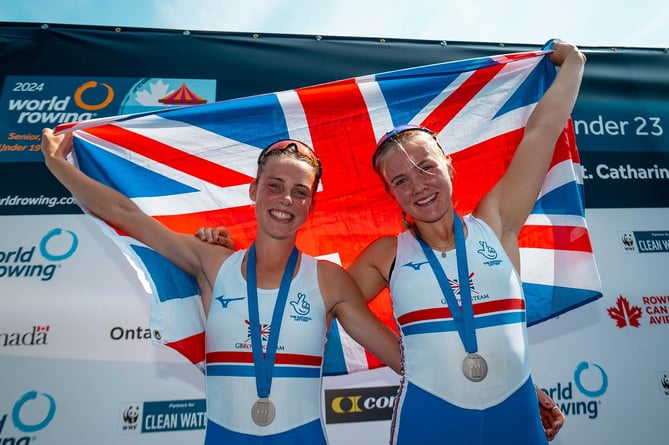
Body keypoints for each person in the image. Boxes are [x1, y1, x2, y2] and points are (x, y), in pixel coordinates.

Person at [199, 39, 582, 444]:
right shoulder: (385, 255)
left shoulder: (498, 221)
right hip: (427, 420)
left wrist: (573, 62)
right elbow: (297, 308)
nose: (418, 185)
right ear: (391, 194)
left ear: (449, 166)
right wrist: (226, 263)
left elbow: (543, 130)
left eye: (426, 167)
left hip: (517, 415)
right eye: (400, 180)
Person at [40, 132, 401, 445]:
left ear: (310, 206)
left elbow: (407, 361)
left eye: (300, 192)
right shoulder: (213, 262)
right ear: (253, 189)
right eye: (274, 185)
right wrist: (58, 165)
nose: (285, 199)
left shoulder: (328, 279)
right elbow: (126, 214)